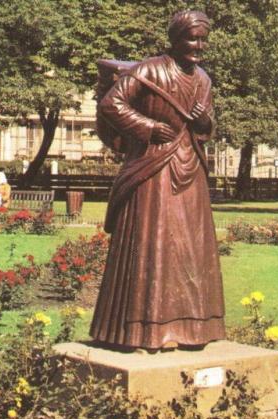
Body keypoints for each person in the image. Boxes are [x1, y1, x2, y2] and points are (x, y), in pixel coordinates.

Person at [90, 10, 225, 351]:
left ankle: (193, 328)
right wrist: (148, 127)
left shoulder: (203, 79)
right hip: (154, 166)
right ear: (176, 39)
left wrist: (204, 122)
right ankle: (146, 330)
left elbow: (208, 129)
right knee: (154, 244)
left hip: (190, 168)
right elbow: (111, 104)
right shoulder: (149, 70)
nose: (198, 46)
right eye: (191, 39)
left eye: (203, 40)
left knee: (192, 248)